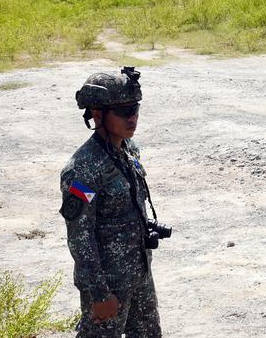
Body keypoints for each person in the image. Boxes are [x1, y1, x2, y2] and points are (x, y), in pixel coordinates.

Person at [60, 67, 168, 337]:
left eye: (135, 109)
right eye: (123, 111)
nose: (132, 118)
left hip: (139, 273)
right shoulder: (83, 170)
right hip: (109, 284)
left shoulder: (129, 150)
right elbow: (80, 237)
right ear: (98, 115)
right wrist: (99, 294)